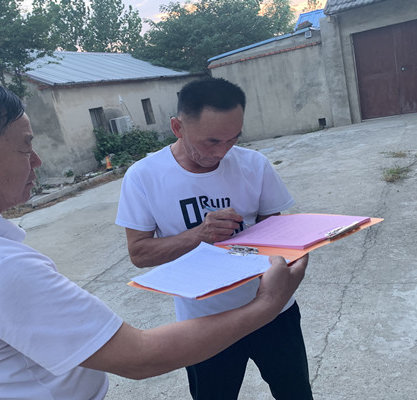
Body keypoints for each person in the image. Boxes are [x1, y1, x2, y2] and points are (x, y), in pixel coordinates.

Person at [0, 74, 308, 400]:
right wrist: (267, 302)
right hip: (212, 312)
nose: (37, 161)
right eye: (25, 147)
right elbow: (139, 356)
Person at [115, 77, 313, 399]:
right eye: (211, 141)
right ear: (177, 127)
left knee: (296, 393)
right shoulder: (144, 177)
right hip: (204, 322)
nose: (222, 151)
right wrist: (199, 235)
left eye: (232, 139)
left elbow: (276, 232)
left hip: (274, 310)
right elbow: (139, 253)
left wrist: (300, 245)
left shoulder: (254, 165)